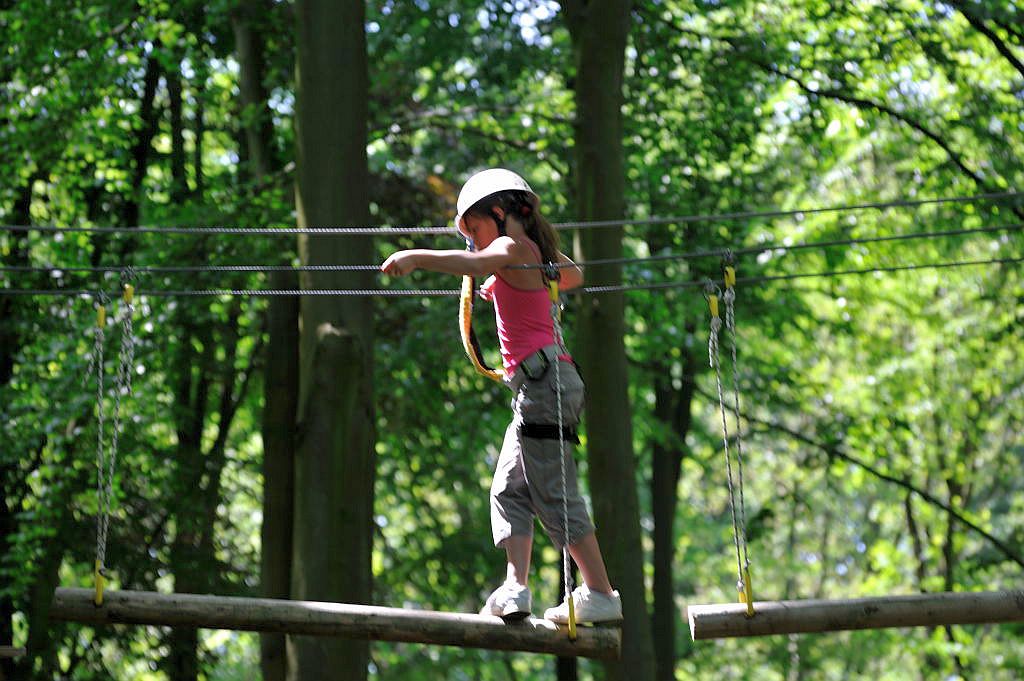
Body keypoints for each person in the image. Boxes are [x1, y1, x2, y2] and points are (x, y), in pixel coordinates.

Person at [381, 168, 622, 624]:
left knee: (554, 494)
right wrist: (519, 273)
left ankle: (601, 592)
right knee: (509, 489)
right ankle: (515, 588)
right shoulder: (526, 256)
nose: (473, 244)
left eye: (474, 230)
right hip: (539, 388)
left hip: (544, 386)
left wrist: (416, 257)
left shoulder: (511, 249)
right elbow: (570, 275)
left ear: (499, 212)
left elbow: (477, 263)